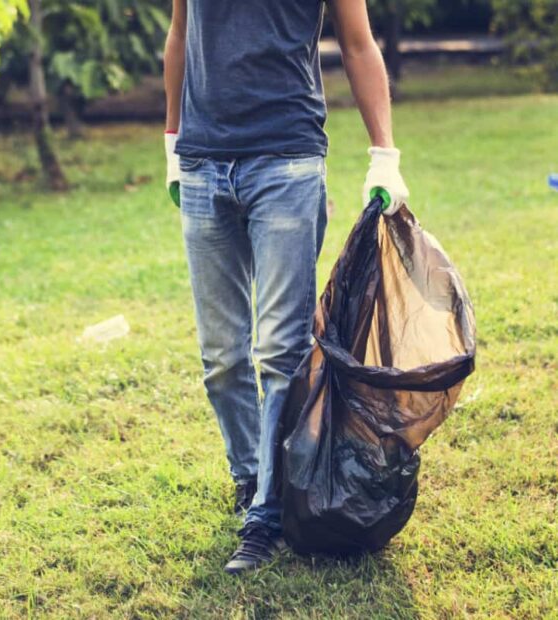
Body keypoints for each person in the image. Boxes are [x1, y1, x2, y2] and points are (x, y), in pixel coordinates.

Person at [163, 0, 409, 574]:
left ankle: (267, 513)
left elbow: (358, 42)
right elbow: (180, 34)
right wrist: (172, 142)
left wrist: (384, 156)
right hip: (203, 164)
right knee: (221, 358)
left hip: (287, 162)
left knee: (279, 351)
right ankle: (253, 480)